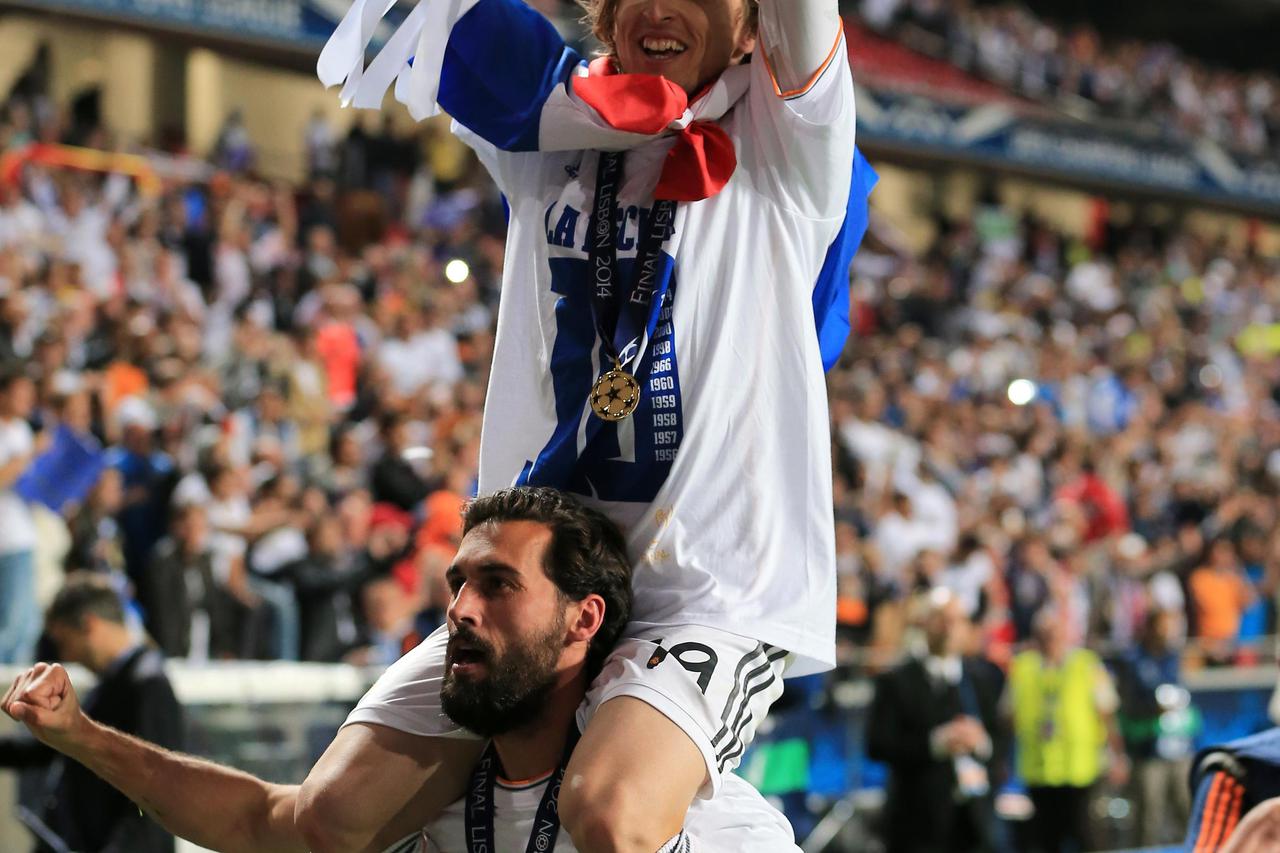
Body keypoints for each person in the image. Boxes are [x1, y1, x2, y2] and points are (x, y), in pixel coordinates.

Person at [307, 1, 877, 849]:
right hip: (541, 581)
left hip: (704, 592)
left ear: (757, 27)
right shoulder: (550, 124)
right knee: (330, 819)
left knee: (610, 813)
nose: (659, 6)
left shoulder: (791, 138)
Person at [2, 487, 800, 852]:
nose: (459, 610)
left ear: (581, 621)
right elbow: (253, 821)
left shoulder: (711, 823)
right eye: (459, 583)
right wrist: (79, 734)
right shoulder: (435, 811)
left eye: (497, 585)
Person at [0, 572, 184, 853]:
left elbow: (157, 794)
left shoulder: (147, 684)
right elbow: (54, 747)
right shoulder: (114, 682)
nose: (67, 655)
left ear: (88, 625)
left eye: (64, 641)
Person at [866, 588, 1007, 852]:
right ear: (924, 624)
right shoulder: (897, 680)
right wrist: (934, 744)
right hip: (917, 821)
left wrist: (981, 741)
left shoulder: (981, 679)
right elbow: (877, 744)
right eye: (942, 619)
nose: (949, 628)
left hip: (974, 821)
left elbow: (1001, 739)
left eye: (957, 620)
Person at [1009, 608, 1128, 853]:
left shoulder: (1086, 664)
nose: (1049, 639)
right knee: (1045, 840)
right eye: (1043, 633)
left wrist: (1118, 755)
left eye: (1054, 632)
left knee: (1088, 837)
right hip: (1040, 771)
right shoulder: (1023, 667)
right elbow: (1008, 715)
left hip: (1080, 770)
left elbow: (1107, 712)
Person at [1110, 607, 1197, 847]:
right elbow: (1127, 705)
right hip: (1148, 750)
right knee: (1149, 814)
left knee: (1185, 809)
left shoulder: (1173, 658)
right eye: (1163, 626)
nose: (1167, 632)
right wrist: (1153, 708)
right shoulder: (1133, 661)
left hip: (1178, 746)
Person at [0, 366, 38, 665]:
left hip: (24, 533)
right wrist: (30, 455)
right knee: (9, 627)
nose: (27, 399)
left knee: (27, 626)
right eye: (20, 392)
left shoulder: (22, 430)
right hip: (5, 539)